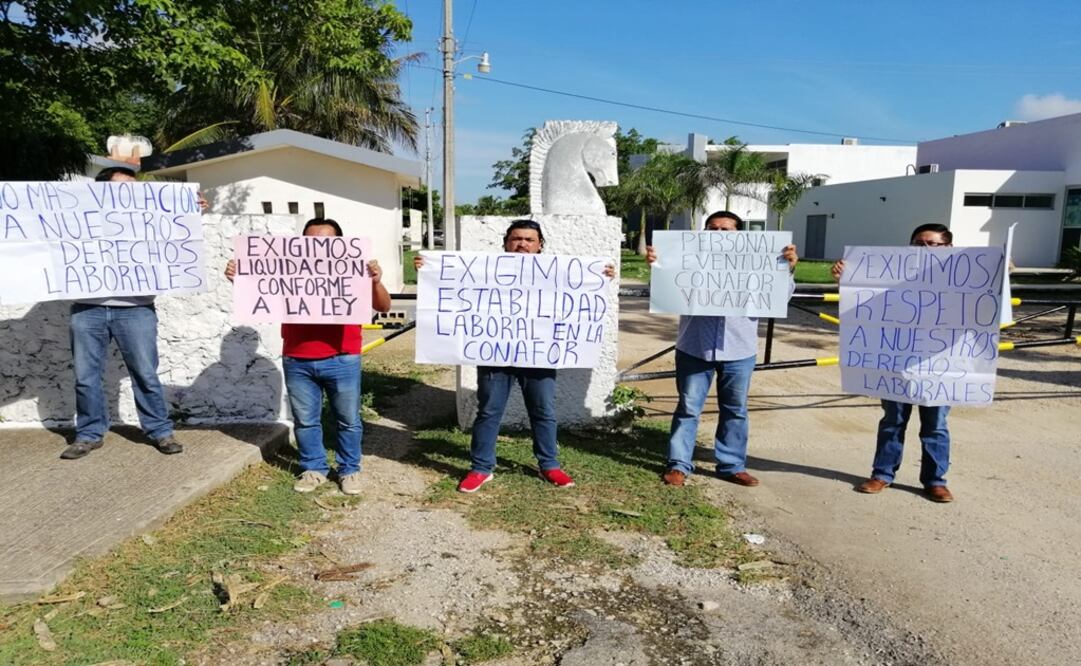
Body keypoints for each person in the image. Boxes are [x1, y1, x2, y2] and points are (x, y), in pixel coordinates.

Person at [413, 219, 615, 493]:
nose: (522, 244)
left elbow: (581, 292)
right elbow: (452, 289)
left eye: (529, 240)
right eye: (516, 238)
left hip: (539, 354)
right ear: (506, 243)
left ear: (540, 245)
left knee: (543, 411)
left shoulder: (558, 273)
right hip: (495, 354)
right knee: (489, 411)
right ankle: (481, 468)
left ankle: (550, 466)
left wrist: (599, 276)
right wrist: (429, 271)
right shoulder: (485, 272)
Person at [226, 218, 391, 495]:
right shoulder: (286, 271)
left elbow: (383, 306)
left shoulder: (354, 270)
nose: (319, 247)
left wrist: (375, 281)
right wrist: (240, 279)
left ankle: (350, 470)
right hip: (297, 357)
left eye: (326, 242)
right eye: (311, 242)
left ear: (340, 245)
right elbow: (261, 294)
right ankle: (313, 468)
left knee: (348, 419)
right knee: (305, 420)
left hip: (343, 357)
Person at [646, 211, 799, 488]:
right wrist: (659, 266)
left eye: (725, 230)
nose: (718, 234)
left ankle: (731, 466)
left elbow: (781, 298)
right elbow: (665, 291)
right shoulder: (687, 259)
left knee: (735, 409)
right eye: (712, 228)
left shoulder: (758, 262)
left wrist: (786, 269)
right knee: (688, 408)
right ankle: (678, 465)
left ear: (738, 235)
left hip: (739, 349)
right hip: (695, 347)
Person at [63, 166, 197, 459]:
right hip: (88, 309)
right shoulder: (78, 217)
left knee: (146, 374)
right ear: (101, 190)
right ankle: (88, 434)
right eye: (123, 187)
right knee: (86, 377)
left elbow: (177, 234)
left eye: (135, 188)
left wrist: (189, 208)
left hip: (136, 310)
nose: (131, 194)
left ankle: (160, 431)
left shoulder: (148, 218)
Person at [831, 223, 956, 503]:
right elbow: (866, 302)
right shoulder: (896, 273)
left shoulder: (964, 278)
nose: (924, 249)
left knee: (935, 425)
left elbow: (987, 302)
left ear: (948, 247)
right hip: (896, 361)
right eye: (917, 244)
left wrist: (1002, 273)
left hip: (939, 365)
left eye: (931, 244)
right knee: (893, 421)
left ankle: (935, 481)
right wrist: (847, 281)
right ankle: (882, 474)